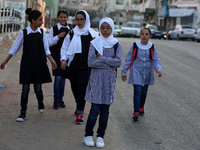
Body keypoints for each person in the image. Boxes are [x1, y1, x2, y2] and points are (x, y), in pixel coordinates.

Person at [0, 8, 57, 122]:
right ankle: (23, 112)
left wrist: (52, 60)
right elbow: (14, 49)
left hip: (39, 64)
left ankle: (40, 102)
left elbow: (46, 50)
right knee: (25, 89)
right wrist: (5, 61)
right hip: (27, 64)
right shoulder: (24, 33)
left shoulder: (41, 33)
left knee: (38, 89)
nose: (41, 22)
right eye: (40, 20)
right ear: (33, 20)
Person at [83, 17, 122, 148]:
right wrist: (109, 62)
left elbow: (118, 62)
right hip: (96, 81)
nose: (105, 30)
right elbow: (91, 62)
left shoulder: (116, 44)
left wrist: (103, 59)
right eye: (102, 28)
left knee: (105, 110)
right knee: (94, 109)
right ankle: (88, 134)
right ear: (99, 29)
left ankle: (100, 136)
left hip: (109, 82)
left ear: (112, 28)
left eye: (108, 27)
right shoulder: (94, 44)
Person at [60, 10, 99, 124]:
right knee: (74, 87)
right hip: (73, 65)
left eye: (82, 19)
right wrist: (63, 60)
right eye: (77, 19)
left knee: (82, 88)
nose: (79, 21)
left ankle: (80, 112)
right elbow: (65, 48)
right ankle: (79, 104)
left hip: (86, 66)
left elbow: (99, 50)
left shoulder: (92, 34)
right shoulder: (71, 33)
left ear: (86, 20)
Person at [121, 28, 162, 121]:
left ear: (150, 37)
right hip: (136, 71)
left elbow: (155, 59)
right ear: (140, 35)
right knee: (138, 91)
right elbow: (128, 59)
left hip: (148, 72)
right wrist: (124, 71)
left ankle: (141, 107)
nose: (144, 36)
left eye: (146, 34)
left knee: (143, 93)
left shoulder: (152, 47)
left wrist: (158, 69)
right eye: (142, 34)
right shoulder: (135, 46)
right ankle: (136, 112)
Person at [48, 10, 70, 109]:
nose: (63, 19)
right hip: (56, 58)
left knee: (63, 80)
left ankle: (61, 99)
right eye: (61, 17)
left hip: (65, 58)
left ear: (67, 18)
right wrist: (58, 36)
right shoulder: (54, 29)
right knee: (58, 78)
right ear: (57, 17)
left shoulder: (70, 29)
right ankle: (56, 100)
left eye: (65, 17)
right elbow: (48, 43)